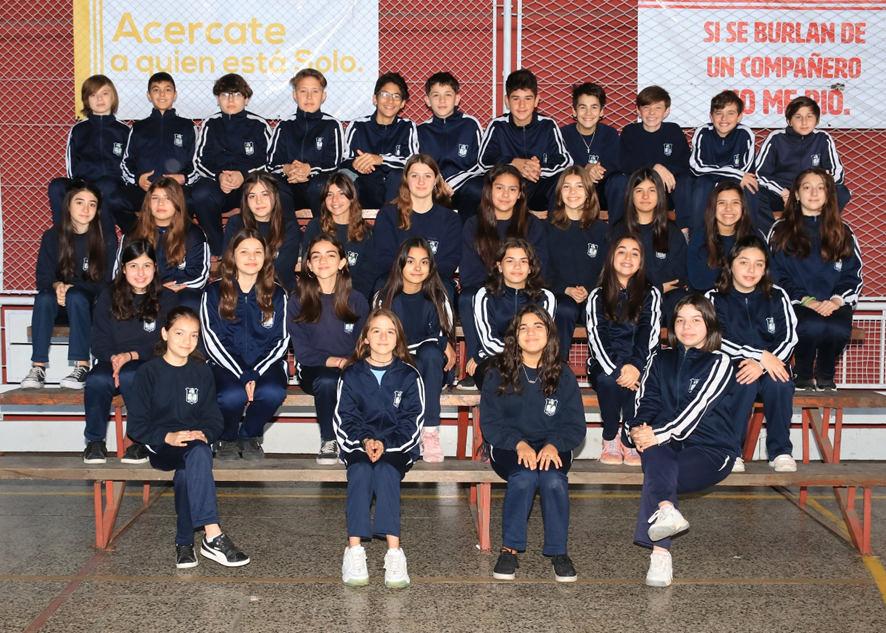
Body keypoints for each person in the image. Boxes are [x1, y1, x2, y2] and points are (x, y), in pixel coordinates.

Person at [624, 294, 737, 588]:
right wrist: (637, 430)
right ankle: (664, 529)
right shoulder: (660, 358)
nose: (687, 327)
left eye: (696, 320)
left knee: (659, 470)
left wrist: (656, 434)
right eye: (681, 320)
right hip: (665, 444)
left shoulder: (721, 362)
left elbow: (696, 410)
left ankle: (661, 544)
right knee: (656, 455)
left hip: (712, 449)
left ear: (709, 325)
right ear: (672, 326)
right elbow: (646, 401)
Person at [126, 307, 251, 569]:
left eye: (194, 335)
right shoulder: (148, 372)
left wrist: (205, 433)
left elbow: (214, 418)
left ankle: (184, 543)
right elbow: (136, 426)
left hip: (194, 447)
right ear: (164, 334)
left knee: (188, 469)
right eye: (180, 333)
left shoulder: (201, 372)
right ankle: (213, 534)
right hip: (162, 446)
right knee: (197, 454)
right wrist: (167, 436)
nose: (187, 341)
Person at [479, 304, 585, 582]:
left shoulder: (563, 374)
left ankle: (558, 551)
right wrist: (518, 444)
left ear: (549, 334)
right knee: (524, 477)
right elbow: (491, 423)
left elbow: (575, 426)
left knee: (553, 479)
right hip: (509, 446)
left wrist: (554, 444)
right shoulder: (497, 372)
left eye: (538, 326)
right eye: (523, 328)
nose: (531, 333)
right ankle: (509, 549)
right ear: (515, 336)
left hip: (552, 444)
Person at [334, 308, 424, 589]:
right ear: (365, 338)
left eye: (390, 332)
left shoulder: (409, 375)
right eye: (376, 331)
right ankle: (354, 551)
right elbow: (344, 418)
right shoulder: (351, 374)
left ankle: (394, 553)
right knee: (360, 471)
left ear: (398, 339)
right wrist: (364, 441)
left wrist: (387, 443)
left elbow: (413, 421)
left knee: (386, 472)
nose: (383, 337)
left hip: (397, 446)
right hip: (358, 444)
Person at [707, 235, 798, 472]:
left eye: (759, 264)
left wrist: (764, 363)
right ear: (731, 264)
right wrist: (758, 355)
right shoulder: (714, 297)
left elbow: (789, 338)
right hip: (733, 366)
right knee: (743, 380)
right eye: (744, 262)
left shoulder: (778, 296)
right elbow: (716, 340)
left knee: (780, 383)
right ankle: (731, 451)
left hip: (772, 364)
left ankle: (780, 451)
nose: (751, 270)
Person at [768, 168, 863, 391]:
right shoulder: (780, 230)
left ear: (828, 195)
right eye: (807, 187)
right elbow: (775, 274)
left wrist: (837, 300)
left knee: (838, 329)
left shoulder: (843, 231)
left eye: (820, 188)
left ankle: (825, 373)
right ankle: (802, 372)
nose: (813, 193)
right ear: (796, 194)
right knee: (811, 325)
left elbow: (853, 274)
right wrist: (807, 300)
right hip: (796, 303)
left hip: (834, 303)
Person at [83, 239, 176, 464]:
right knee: (96, 379)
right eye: (133, 266)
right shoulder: (108, 295)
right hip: (113, 361)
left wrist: (132, 356)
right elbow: (98, 340)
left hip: (149, 363)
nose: (140, 273)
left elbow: (166, 343)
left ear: (155, 267)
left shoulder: (167, 298)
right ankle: (95, 442)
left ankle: (139, 440)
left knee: (132, 374)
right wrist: (114, 358)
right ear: (124, 269)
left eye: (146, 265)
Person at [200, 230, 289, 459]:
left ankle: (249, 435)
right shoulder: (213, 292)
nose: (251, 257)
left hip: (266, 364)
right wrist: (242, 373)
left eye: (258, 252)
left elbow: (281, 341)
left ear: (265, 257)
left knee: (273, 391)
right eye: (244, 252)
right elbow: (211, 340)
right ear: (233, 255)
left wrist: (255, 372)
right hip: (224, 364)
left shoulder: (278, 294)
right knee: (232, 395)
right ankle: (226, 438)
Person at [458, 164, 549, 388]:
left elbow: (539, 268)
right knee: (468, 297)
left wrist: (513, 284)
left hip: (522, 289)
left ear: (520, 194)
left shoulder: (532, 225)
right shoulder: (473, 224)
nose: (505, 194)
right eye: (499, 188)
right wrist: (499, 287)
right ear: (489, 191)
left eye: (512, 189)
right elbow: (469, 275)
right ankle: (477, 360)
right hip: (489, 292)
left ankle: (534, 361)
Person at [22, 181, 116, 390]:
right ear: (68, 205)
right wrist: (57, 286)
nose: (86, 209)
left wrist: (73, 288)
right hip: (59, 302)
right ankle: (38, 368)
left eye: (92, 204)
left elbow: (105, 283)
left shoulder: (106, 238)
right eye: (79, 202)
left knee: (76, 296)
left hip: (89, 306)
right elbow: (43, 278)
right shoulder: (52, 236)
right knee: (44, 297)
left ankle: (82, 366)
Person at [289, 235, 369, 463]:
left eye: (330, 255)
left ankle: (361, 438)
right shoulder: (298, 301)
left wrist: (350, 362)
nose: (323, 261)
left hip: (351, 364)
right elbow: (303, 352)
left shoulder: (357, 300)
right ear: (309, 265)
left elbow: (365, 343)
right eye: (316, 256)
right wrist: (336, 361)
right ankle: (329, 440)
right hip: (314, 368)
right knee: (327, 380)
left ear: (342, 262)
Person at [375, 237, 456, 462]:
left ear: (431, 266)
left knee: (429, 354)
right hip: (399, 365)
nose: (417, 268)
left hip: (432, 369)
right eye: (410, 261)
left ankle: (430, 432)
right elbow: (383, 341)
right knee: (410, 359)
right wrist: (435, 342)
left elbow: (441, 340)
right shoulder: (385, 297)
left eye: (424, 262)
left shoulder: (438, 296)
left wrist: (437, 343)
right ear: (400, 264)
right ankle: (406, 433)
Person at [586, 236, 662, 467]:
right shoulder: (597, 295)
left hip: (640, 362)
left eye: (634, 253)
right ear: (611, 257)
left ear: (641, 261)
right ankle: (610, 437)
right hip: (605, 363)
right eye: (622, 251)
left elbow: (649, 333)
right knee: (609, 380)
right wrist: (618, 370)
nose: (628, 257)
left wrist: (636, 366)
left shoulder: (651, 294)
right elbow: (597, 338)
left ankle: (629, 441)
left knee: (639, 381)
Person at [191, 73, 271, 257]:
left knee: (266, 190)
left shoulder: (259, 125)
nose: (230, 100)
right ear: (218, 99)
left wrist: (243, 174)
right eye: (225, 95)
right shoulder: (210, 124)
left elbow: (268, 161)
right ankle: (218, 250)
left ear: (246, 99)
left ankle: (259, 249)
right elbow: (199, 161)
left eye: (237, 94)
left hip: (248, 186)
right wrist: (219, 176)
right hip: (218, 186)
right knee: (200, 193)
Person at [476, 68, 572, 210]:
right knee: (475, 188)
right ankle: (497, 223)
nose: (522, 105)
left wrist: (537, 169)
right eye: (516, 98)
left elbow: (565, 160)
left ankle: (553, 224)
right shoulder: (497, 126)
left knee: (561, 183)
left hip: (538, 185)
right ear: (507, 101)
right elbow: (483, 161)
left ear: (536, 101)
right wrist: (513, 163)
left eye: (528, 98)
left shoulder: (548, 125)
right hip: (507, 187)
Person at [47, 75, 129, 236]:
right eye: (93, 95)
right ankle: (62, 236)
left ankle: (107, 239)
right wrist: (81, 185)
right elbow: (71, 164)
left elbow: (130, 163)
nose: (99, 99)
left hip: (113, 185)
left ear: (113, 97)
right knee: (56, 185)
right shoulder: (79, 129)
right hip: (85, 183)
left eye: (104, 93)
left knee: (106, 185)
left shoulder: (124, 130)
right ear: (86, 100)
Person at [756, 96, 851, 231]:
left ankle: (817, 229)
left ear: (817, 120)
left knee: (841, 192)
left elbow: (838, 174)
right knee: (752, 193)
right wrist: (783, 192)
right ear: (789, 120)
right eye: (798, 117)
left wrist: (816, 188)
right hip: (782, 194)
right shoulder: (776, 138)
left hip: (812, 193)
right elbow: (760, 174)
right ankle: (772, 232)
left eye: (809, 116)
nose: (804, 122)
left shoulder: (823, 139)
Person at [119, 72, 198, 232]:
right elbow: (126, 162)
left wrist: (184, 178)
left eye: (167, 90)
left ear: (175, 95)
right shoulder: (138, 128)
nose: (162, 94)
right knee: (114, 200)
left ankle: (180, 240)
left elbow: (197, 163)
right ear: (149, 95)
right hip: (145, 189)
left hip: (176, 190)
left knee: (191, 201)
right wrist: (137, 179)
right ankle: (137, 235)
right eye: (156, 90)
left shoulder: (188, 126)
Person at [372, 154, 461, 295]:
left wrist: (421, 278)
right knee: (381, 284)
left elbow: (448, 262)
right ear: (406, 179)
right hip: (396, 282)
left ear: (436, 180)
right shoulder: (387, 215)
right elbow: (383, 258)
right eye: (414, 176)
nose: (421, 181)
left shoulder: (450, 219)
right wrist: (409, 281)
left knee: (446, 288)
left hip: (434, 283)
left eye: (427, 176)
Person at [472, 238, 556, 388]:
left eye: (523, 261)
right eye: (510, 261)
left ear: (530, 268)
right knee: (491, 375)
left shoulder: (545, 297)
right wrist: (517, 355)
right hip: (496, 359)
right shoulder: (484, 295)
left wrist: (525, 357)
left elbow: (542, 338)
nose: (517, 266)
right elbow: (488, 342)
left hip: (534, 360)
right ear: (499, 266)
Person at [546, 166, 610, 354]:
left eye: (579, 186)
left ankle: (602, 365)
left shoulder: (602, 230)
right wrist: (565, 289)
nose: (572, 192)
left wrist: (589, 289)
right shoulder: (547, 228)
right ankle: (557, 366)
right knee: (566, 309)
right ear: (560, 194)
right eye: (567, 187)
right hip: (560, 294)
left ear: (589, 193)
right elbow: (541, 269)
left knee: (602, 310)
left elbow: (607, 270)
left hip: (592, 294)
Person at [122, 177, 209, 311]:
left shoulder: (193, 233)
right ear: (148, 203)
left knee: (191, 301)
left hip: (179, 290)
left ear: (177, 202)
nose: (160, 203)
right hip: (142, 288)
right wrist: (155, 289)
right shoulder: (133, 233)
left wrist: (166, 290)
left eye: (168, 198)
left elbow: (200, 277)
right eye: (155, 198)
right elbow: (120, 272)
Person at [612, 168, 688, 321]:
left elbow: (678, 277)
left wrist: (653, 289)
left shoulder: (672, 233)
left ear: (660, 194)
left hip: (665, 298)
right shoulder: (618, 231)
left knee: (679, 301)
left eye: (651, 190)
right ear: (631, 195)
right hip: (628, 295)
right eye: (639, 190)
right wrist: (657, 287)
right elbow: (613, 273)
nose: (645, 196)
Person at [268, 68, 345, 217]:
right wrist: (288, 168)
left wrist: (309, 169)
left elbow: (334, 163)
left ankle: (323, 229)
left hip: (317, 187)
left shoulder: (332, 125)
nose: (309, 97)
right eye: (303, 91)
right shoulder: (284, 126)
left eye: (315, 91)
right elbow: (271, 163)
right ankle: (288, 230)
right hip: (289, 185)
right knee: (274, 185)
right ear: (295, 95)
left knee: (321, 184)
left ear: (323, 96)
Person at [619, 86, 692, 231]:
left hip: (667, 189)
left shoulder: (674, 130)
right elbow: (624, 163)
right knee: (619, 181)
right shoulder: (630, 132)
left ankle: (683, 232)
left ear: (666, 111)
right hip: (640, 187)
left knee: (686, 181)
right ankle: (622, 231)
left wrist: (665, 170)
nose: (651, 113)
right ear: (638, 110)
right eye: (646, 108)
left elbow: (685, 163)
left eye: (658, 108)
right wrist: (654, 168)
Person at [342, 72, 419, 208]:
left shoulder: (407, 127)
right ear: (375, 99)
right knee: (345, 177)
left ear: (403, 103)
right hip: (363, 188)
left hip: (394, 191)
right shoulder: (358, 125)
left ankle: (390, 220)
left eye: (396, 96)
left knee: (397, 175)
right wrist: (356, 164)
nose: (390, 101)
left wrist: (380, 159)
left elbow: (412, 161)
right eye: (385, 95)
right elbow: (343, 160)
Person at [416, 72, 484, 221]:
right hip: (434, 188)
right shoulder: (421, 131)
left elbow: (482, 164)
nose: (442, 100)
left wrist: (454, 182)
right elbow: (417, 166)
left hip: (464, 187)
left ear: (457, 99)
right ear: (427, 100)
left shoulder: (470, 124)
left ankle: (468, 233)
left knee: (477, 189)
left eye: (448, 94)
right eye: (436, 95)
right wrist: (437, 182)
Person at [688, 90, 757, 232]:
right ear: (711, 116)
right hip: (707, 183)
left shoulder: (746, 134)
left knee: (750, 186)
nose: (724, 118)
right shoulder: (703, 132)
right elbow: (696, 167)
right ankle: (696, 236)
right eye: (719, 113)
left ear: (739, 117)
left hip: (734, 183)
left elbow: (746, 171)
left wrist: (732, 175)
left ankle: (750, 237)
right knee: (702, 183)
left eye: (730, 113)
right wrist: (735, 174)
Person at [559, 82, 627, 225]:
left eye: (594, 107)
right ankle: (562, 228)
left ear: (602, 111)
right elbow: (560, 165)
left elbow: (615, 163)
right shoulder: (563, 134)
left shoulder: (610, 134)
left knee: (619, 181)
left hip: (601, 191)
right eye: (583, 107)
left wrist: (597, 171)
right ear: (574, 111)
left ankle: (617, 230)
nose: (588, 113)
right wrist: (585, 170)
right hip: (574, 189)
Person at [222, 173, 301, 292]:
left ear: (275, 196)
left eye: (265, 194)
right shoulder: (235, 223)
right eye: (252, 196)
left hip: (279, 290)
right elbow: (229, 262)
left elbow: (283, 270)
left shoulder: (289, 227)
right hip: (242, 290)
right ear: (246, 200)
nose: (259, 201)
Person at [301, 174, 375, 299]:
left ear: (351, 197)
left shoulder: (367, 232)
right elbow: (307, 266)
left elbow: (368, 276)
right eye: (330, 195)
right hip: (318, 296)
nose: (335, 200)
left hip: (353, 297)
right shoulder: (315, 226)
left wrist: (350, 300)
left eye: (341, 194)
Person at [687, 180, 757, 292]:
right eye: (722, 203)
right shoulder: (700, 238)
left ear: (743, 208)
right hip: (708, 300)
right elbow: (698, 283)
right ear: (713, 208)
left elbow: (766, 277)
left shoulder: (754, 238)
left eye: (735, 203)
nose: (728, 208)